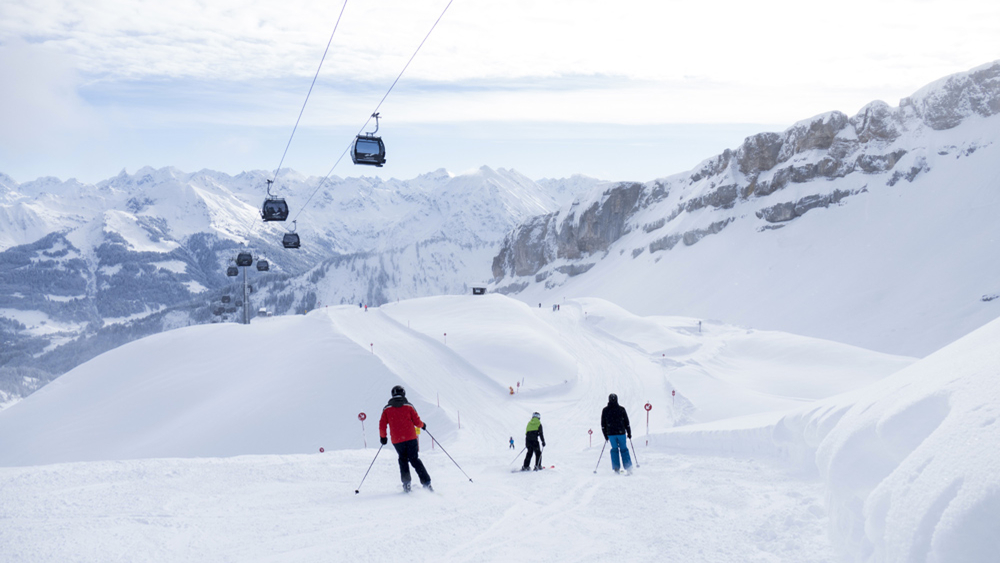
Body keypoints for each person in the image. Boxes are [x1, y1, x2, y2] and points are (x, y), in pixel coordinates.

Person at [379, 385, 432, 492]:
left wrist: (383, 437)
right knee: (414, 459)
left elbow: (382, 425)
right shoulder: (409, 406)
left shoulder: (387, 409)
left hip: (397, 440)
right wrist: (423, 425)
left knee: (403, 460)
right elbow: (417, 421)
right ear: (403, 393)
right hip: (411, 437)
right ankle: (426, 483)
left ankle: (406, 484)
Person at [601, 393, 633, 474]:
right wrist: (629, 432)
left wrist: (605, 435)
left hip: (611, 434)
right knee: (624, 449)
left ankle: (616, 468)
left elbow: (603, 424)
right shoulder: (621, 409)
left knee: (614, 450)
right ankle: (628, 468)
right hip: (621, 432)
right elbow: (627, 422)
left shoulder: (605, 410)